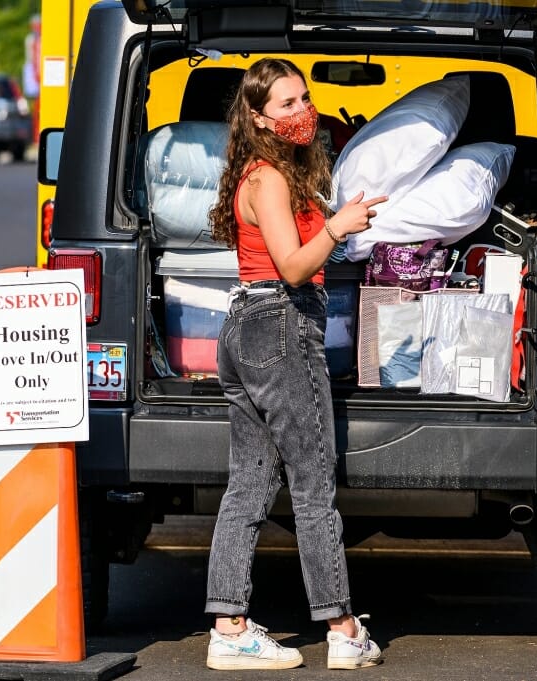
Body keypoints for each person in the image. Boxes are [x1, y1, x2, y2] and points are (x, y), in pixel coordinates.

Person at [203, 58, 387, 671]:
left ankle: (229, 627)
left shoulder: (267, 173)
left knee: (250, 482)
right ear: (256, 116)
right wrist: (338, 226)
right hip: (280, 323)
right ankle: (341, 628)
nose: (301, 110)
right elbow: (293, 266)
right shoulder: (269, 179)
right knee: (312, 484)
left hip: (246, 327)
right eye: (286, 103)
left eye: (303, 98)